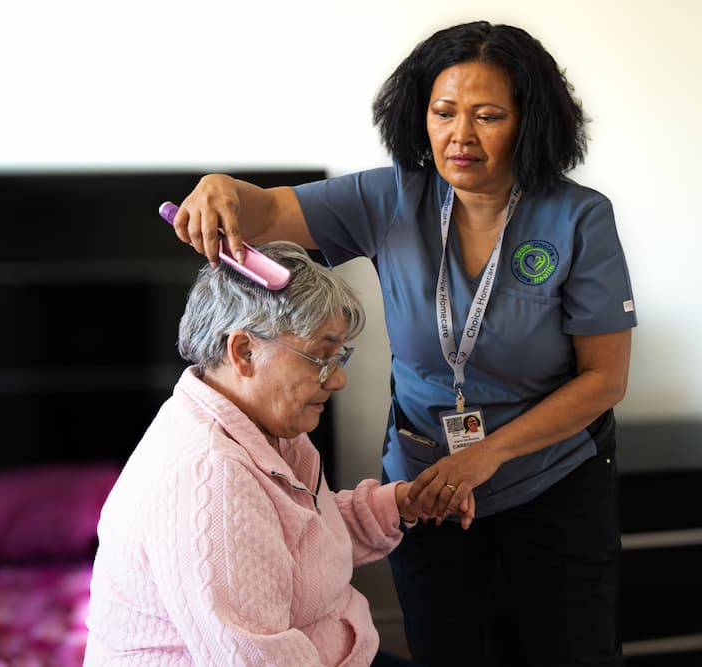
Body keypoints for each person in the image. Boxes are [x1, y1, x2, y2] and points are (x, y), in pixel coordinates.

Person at [170, 20, 636, 667]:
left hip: (549, 474)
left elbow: (605, 379)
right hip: (426, 483)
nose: (460, 135)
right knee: (448, 649)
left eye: (488, 115)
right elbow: (267, 211)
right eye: (443, 112)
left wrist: (487, 456)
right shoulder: (391, 197)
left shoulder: (579, 217)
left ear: (529, 122)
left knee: (571, 652)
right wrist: (223, 189)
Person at [84, 242, 448, 666]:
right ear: (243, 352)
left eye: (340, 356)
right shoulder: (210, 477)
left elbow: (296, 547)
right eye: (321, 358)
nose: (338, 380)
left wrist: (399, 505)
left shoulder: (266, 428)